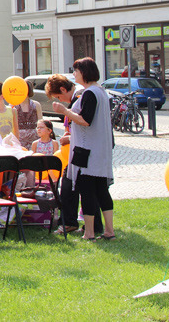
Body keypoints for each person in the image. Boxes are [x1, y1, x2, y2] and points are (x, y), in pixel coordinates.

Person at [53, 58, 116, 241]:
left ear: (84, 72)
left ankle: (89, 233)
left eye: (76, 71)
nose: (73, 75)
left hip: (87, 151)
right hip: (98, 149)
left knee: (88, 191)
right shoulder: (101, 92)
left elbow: (85, 120)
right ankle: (109, 231)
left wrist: (64, 111)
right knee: (102, 191)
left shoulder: (90, 93)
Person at [45, 73, 101, 237]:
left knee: (75, 186)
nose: (60, 100)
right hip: (79, 150)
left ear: (63, 89)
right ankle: (80, 223)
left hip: (85, 150)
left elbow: (86, 123)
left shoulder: (80, 97)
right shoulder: (79, 97)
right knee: (76, 186)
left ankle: (73, 223)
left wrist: (69, 137)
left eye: (58, 96)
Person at [15, 80, 42, 149]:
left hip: (34, 139)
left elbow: (41, 122)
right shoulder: (13, 106)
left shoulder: (36, 105)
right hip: (18, 139)